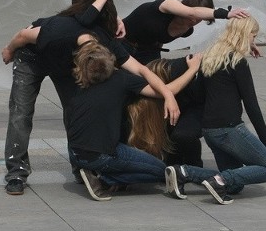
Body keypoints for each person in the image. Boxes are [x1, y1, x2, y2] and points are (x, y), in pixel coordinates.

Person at [3, 0, 123, 195]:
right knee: (21, 113)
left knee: (76, 111)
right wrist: (9, 50)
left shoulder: (99, 28)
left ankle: (81, 165)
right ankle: (16, 173)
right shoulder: (61, 27)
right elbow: (23, 35)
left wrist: (119, 22)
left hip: (64, 63)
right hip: (31, 58)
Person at [67, 41, 201, 201]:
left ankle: (96, 172)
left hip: (74, 153)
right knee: (162, 171)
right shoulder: (122, 79)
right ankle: (103, 179)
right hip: (100, 154)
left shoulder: (81, 85)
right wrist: (193, 69)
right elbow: (168, 89)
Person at [165, 16, 266, 205]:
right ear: (245, 35)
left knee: (234, 183)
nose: (254, 41)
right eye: (253, 36)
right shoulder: (237, 62)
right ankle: (219, 181)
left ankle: (184, 172)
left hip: (210, 130)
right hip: (230, 128)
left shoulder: (211, 57)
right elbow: (251, 104)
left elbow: (199, 95)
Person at [121, 0, 256, 64]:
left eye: (200, 20)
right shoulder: (168, 5)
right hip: (122, 42)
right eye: (193, 17)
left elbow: (223, 36)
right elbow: (193, 12)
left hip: (148, 50)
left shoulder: (187, 30)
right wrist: (227, 14)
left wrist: (246, 40)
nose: (194, 21)